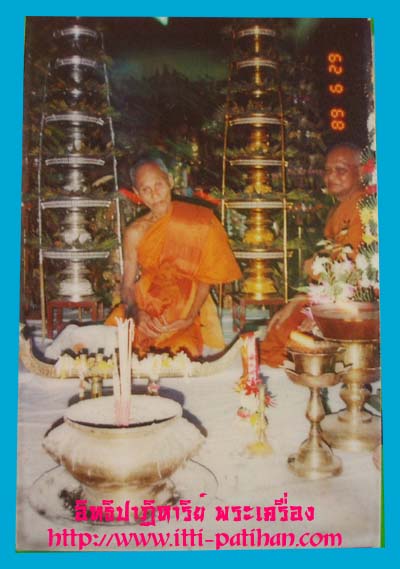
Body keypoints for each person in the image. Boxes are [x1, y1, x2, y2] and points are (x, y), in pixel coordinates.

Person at [106, 158, 242, 357]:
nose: (154, 195)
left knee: (180, 354)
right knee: (115, 347)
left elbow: (205, 279)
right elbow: (127, 286)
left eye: (159, 185)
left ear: (170, 181)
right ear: (137, 193)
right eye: (146, 190)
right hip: (146, 308)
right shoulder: (135, 232)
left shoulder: (198, 221)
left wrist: (190, 316)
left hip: (186, 310)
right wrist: (136, 313)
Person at [260, 143, 366, 367]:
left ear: (361, 171)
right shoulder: (340, 209)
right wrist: (298, 301)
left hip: (353, 304)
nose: (331, 177)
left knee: (286, 337)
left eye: (341, 170)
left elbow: (355, 273)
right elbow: (326, 267)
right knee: (279, 330)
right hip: (327, 296)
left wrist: (319, 314)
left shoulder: (365, 208)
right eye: (327, 171)